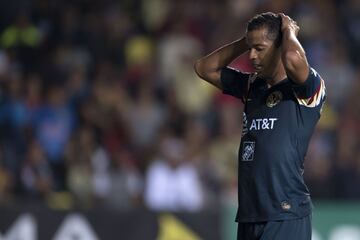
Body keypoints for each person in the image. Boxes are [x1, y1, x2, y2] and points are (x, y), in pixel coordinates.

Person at [194, 12, 326, 240]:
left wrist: (288, 32)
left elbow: (294, 60)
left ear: (279, 47)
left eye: (260, 48)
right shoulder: (252, 86)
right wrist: (245, 42)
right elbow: (204, 68)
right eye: (250, 48)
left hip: (284, 213)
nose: (252, 56)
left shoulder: (305, 89)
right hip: (249, 214)